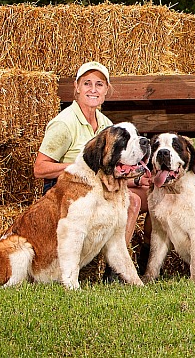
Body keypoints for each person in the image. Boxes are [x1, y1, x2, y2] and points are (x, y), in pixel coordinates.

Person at [33, 61, 151, 276]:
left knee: (153, 195)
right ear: (76, 87)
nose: (93, 89)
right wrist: (80, 168)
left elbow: (109, 168)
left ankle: (146, 264)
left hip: (98, 187)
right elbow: (40, 168)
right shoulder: (65, 123)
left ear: (107, 90)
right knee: (131, 201)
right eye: (87, 83)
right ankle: (112, 273)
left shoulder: (105, 123)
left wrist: (135, 178)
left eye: (99, 84)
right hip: (68, 190)